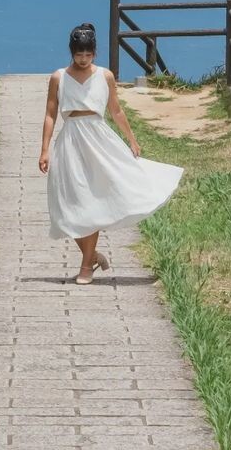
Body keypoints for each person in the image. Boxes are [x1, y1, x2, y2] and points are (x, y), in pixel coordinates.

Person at [39, 22, 184, 285]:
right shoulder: (59, 77)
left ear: (94, 53)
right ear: (71, 52)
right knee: (67, 205)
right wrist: (44, 150)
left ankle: (86, 267)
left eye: (88, 54)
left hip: (98, 139)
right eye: (79, 54)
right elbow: (50, 114)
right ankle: (93, 255)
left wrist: (132, 140)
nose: (83, 59)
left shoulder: (104, 76)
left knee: (92, 200)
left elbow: (116, 110)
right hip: (70, 139)